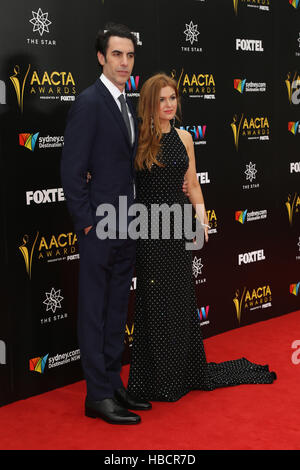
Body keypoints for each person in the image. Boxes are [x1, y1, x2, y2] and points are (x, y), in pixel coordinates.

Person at [127, 73, 277, 402]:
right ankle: (154, 378)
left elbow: (192, 183)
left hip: (178, 226)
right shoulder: (137, 138)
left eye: (172, 99)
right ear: (150, 104)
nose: (168, 105)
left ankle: (183, 371)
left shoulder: (184, 138)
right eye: (161, 100)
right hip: (151, 229)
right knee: (154, 303)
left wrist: (202, 220)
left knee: (180, 300)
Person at [60, 23, 152, 425]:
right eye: (117, 54)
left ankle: (113, 384)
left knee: (117, 310)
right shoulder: (89, 102)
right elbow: (72, 172)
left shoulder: (125, 104)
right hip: (100, 228)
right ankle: (96, 395)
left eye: (130, 56)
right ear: (101, 57)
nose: (125, 63)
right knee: (95, 311)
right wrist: (87, 226)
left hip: (126, 223)